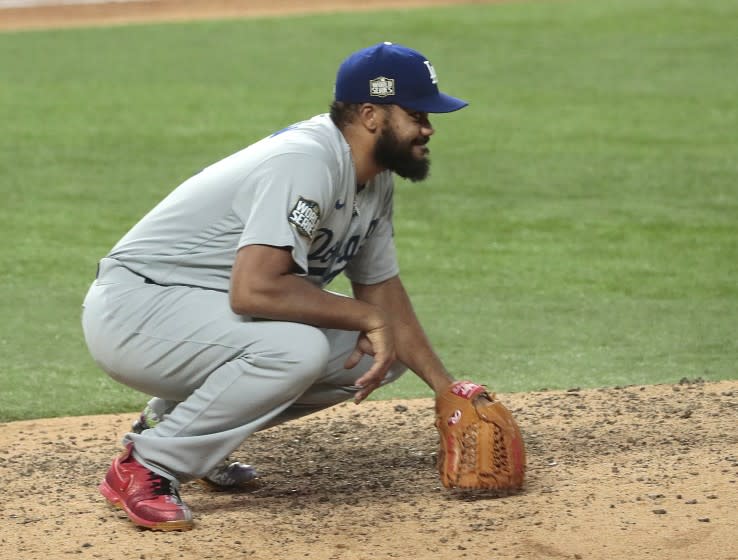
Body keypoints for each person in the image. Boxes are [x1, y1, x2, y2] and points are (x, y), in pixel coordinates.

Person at [82, 41, 468, 531]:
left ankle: (171, 425)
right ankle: (147, 466)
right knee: (297, 348)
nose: (429, 128)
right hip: (136, 309)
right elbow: (256, 291)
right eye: (417, 114)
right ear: (371, 115)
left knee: (377, 354)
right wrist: (367, 317)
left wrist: (447, 390)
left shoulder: (373, 178)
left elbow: (381, 289)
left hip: (196, 311)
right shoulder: (306, 162)